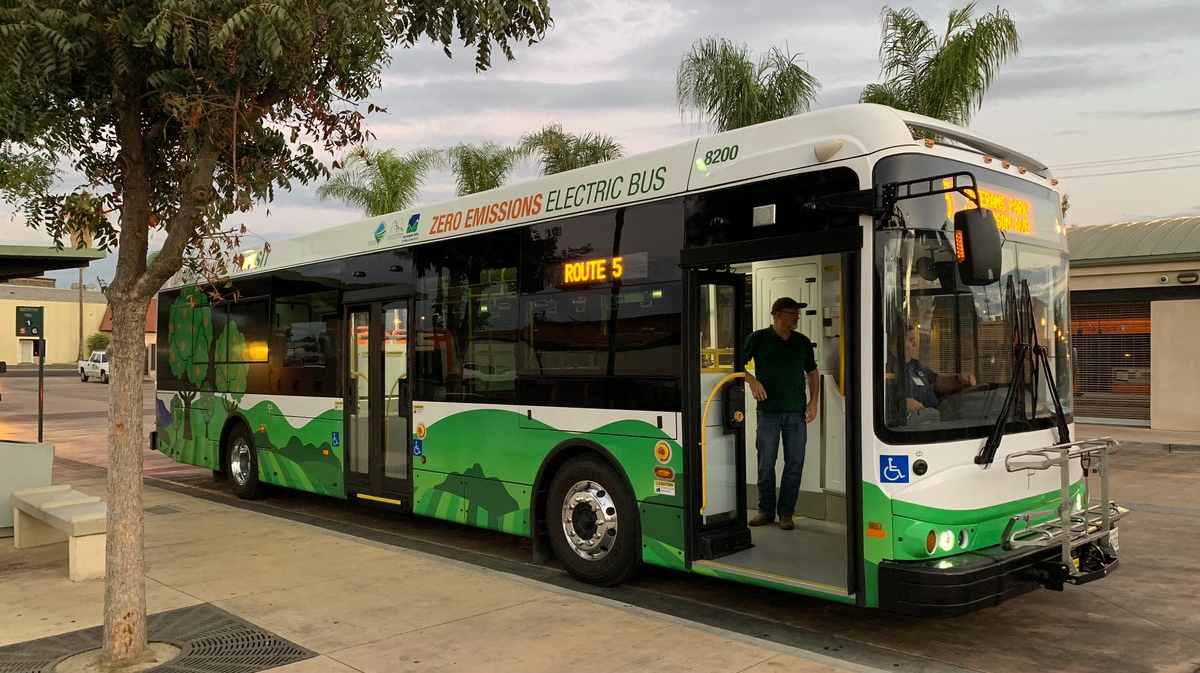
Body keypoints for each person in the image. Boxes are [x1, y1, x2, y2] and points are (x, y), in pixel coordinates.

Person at [742, 297, 820, 531]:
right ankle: (765, 510)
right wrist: (752, 381)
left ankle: (786, 513)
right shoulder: (758, 338)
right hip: (768, 412)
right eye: (792, 313)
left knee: (794, 463)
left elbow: (812, 372)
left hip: (796, 412)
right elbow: (737, 364)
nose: (797, 317)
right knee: (766, 464)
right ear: (778, 315)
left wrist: (814, 401)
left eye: (798, 313)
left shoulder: (802, 342)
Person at [901, 326, 976, 416]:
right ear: (895, 343)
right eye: (911, 340)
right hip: (919, 421)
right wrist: (901, 404)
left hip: (937, 416)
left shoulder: (915, 366)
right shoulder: (889, 371)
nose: (915, 344)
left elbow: (936, 381)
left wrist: (958, 379)